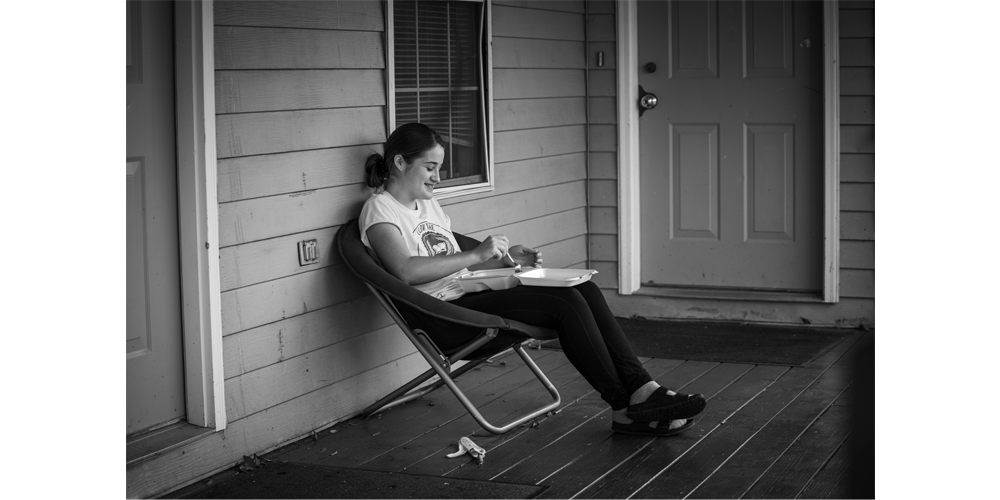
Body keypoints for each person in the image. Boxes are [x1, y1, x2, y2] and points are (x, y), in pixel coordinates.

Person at [359, 123, 706, 436]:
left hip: (468, 292)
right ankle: (624, 406)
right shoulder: (380, 210)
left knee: (582, 286)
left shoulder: (428, 205)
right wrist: (479, 254)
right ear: (401, 163)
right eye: (430, 167)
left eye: (439, 168)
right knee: (562, 302)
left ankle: (642, 388)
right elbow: (404, 270)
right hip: (447, 314)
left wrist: (505, 263)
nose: (437, 177)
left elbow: (454, 263)